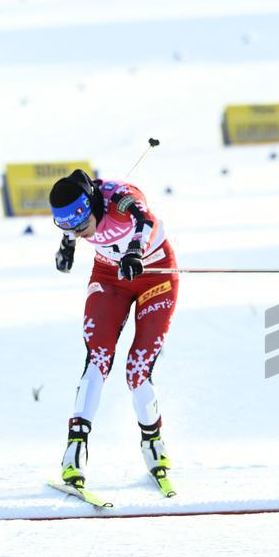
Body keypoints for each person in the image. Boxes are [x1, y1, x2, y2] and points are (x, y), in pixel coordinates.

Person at [48, 170, 178, 495]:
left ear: (92, 205)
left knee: (136, 370)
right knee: (98, 357)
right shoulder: (77, 217)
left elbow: (144, 220)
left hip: (155, 274)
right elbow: (70, 227)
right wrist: (67, 248)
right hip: (109, 274)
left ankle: (153, 444)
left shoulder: (118, 197)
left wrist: (134, 251)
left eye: (79, 227)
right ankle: (75, 451)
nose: (77, 233)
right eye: (67, 229)